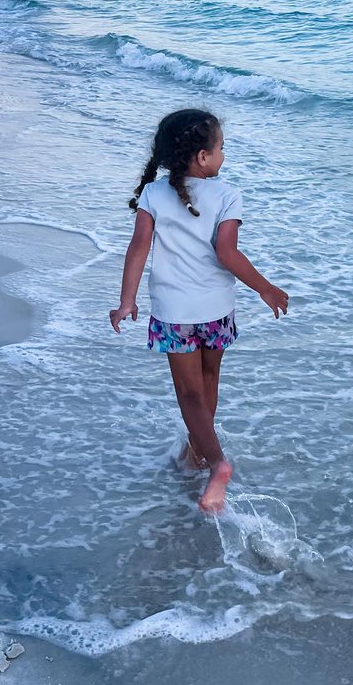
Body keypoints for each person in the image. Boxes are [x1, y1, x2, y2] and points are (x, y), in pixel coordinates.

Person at [110, 109, 288, 514]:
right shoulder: (227, 194)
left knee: (189, 394)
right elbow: (227, 253)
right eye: (222, 147)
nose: (224, 154)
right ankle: (198, 451)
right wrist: (265, 288)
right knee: (209, 383)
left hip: (174, 311)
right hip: (216, 309)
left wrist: (127, 300)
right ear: (204, 157)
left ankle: (216, 463)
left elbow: (138, 249)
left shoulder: (154, 194)